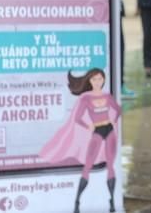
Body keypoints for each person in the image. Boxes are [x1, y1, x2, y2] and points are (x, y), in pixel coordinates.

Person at [39, 68, 121, 213]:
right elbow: (77, 118)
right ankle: (77, 201)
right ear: (89, 81)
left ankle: (112, 202)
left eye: (100, 79)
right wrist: (88, 125)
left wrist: (113, 120)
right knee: (87, 166)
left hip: (109, 130)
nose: (98, 82)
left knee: (110, 166)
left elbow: (118, 109)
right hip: (97, 131)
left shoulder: (107, 96)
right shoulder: (85, 98)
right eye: (94, 79)